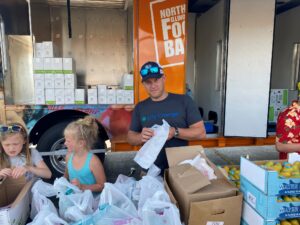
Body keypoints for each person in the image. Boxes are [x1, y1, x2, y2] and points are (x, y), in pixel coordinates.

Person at [127, 61, 206, 173]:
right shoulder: (140, 107)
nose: (153, 85)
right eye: (148, 82)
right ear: (143, 84)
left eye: (156, 80)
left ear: (164, 78)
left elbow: (201, 133)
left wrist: (175, 132)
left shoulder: (184, 101)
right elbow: (130, 137)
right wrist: (140, 137)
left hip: (180, 169)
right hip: (150, 170)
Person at [64, 116, 106, 192]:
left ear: (81, 143)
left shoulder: (94, 161)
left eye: (68, 141)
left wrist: (83, 187)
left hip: (91, 200)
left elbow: (102, 186)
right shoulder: (68, 156)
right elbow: (66, 176)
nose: (65, 143)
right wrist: (61, 183)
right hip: (74, 198)